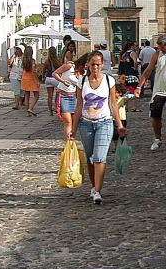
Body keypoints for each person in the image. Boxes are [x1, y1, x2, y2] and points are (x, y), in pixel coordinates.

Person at [70, 51, 126, 204]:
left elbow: (113, 104)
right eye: (92, 64)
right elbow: (79, 105)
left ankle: (97, 192)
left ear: (102, 64)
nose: (95, 67)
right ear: (87, 64)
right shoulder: (82, 82)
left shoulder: (109, 81)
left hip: (105, 123)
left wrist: (119, 124)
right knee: (90, 158)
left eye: (98, 64)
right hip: (86, 124)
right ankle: (94, 186)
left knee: (99, 157)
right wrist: (73, 130)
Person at [53, 54, 88, 139]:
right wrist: (63, 81)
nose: (87, 66)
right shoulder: (70, 66)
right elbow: (55, 73)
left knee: (74, 121)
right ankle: (69, 142)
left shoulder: (85, 72)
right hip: (63, 95)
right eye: (86, 63)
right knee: (67, 121)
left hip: (74, 96)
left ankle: (72, 141)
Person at [119, 41, 140, 111]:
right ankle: (134, 107)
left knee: (127, 91)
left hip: (126, 74)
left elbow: (122, 64)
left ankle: (126, 107)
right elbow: (135, 62)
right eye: (135, 46)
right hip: (132, 74)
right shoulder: (133, 53)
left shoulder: (124, 54)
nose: (136, 47)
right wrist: (135, 68)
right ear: (132, 46)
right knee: (134, 90)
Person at [20, 45, 40, 116]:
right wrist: (37, 81)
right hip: (31, 79)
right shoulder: (32, 60)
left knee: (27, 96)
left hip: (25, 78)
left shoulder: (23, 60)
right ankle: (30, 108)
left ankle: (27, 113)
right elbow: (33, 71)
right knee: (36, 96)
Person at [43, 46, 62, 115]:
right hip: (55, 78)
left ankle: (50, 111)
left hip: (48, 78)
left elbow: (44, 70)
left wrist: (43, 77)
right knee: (58, 93)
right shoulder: (57, 61)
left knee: (49, 96)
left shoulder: (47, 61)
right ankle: (57, 107)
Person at [112, 83, 128, 151]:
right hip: (113, 119)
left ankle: (123, 145)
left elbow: (129, 98)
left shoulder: (122, 99)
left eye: (115, 92)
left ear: (120, 93)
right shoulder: (111, 100)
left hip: (122, 119)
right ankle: (116, 147)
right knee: (115, 134)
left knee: (122, 133)